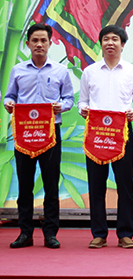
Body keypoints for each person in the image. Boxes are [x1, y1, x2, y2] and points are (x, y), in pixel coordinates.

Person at [4, 23, 74, 249]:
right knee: (25, 185)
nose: (39, 44)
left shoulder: (60, 71)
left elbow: (69, 100)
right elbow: (9, 96)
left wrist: (60, 107)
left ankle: (50, 233)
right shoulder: (18, 70)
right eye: (35, 40)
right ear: (28, 43)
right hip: (24, 134)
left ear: (50, 42)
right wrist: (9, 104)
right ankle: (25, 233)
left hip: (51, 133)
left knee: (51, 184)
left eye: (43, 40)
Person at [79, 25, 133, 249]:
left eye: (115, 39)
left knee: (125, 185)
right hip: (96, 135)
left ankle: (125, 233)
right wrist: (84, 109)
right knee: (96, 184)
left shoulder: (132, 72)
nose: (110, 42)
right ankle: (98, 233)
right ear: (100, 43)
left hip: (123, 133)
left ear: (123, 44)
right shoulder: (89, 72)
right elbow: (83, 101)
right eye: (106, 39)